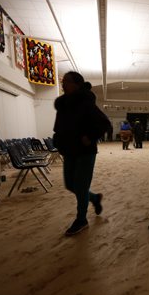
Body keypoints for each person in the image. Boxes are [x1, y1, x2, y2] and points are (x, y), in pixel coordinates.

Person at [53, 71, 111, 236]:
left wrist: (91, 137)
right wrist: (58, 140)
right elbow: (59, 126)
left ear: (76, 84)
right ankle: (94, 198)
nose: (63, 84)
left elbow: (104, 123)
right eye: (63, 82)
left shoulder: (85, 102)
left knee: (80, 186)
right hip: (69, 150)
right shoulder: (64, 104)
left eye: (67, 81)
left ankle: (81, 220)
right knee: (70, 184)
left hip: (85, 151)